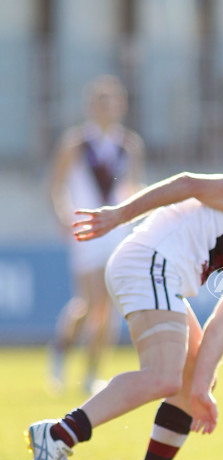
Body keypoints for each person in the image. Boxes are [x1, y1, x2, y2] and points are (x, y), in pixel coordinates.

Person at [27, 172, 223, 460]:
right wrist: (119, 214)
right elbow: (189, 183)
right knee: (164, 377)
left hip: (158, 271)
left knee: (190, 379)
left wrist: (202, 386)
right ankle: (59, 434)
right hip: (150, 262)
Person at [48, 74, 145, 394]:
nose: (106, 108)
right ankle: (61, 348)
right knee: (90, 304)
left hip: (116, 231)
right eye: (100, 101)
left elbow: (131, 186)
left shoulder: (129, 145)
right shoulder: (75, 144)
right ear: (90, 106)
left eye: (112, 101)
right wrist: (64, 215)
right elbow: (56, 186)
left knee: (109, 306)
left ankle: (91, 373)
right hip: (86, 229)